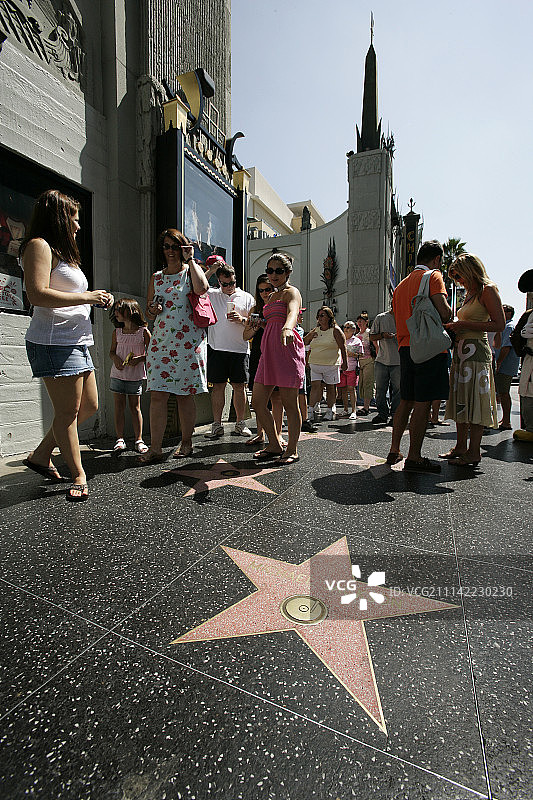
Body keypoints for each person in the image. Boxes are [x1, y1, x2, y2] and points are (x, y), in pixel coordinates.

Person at [21, 189, 113, 501]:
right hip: (53, 341)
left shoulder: (64, 254)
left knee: (89, 406)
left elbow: (67, 292)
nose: (77, 225)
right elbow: (37, 294)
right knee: (68, 413)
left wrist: (97, 296)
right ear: (59, 218)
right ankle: (78, 474)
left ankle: (41, 454)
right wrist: (88, 296)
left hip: (75, 340)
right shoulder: (38, 246)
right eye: (73, 218)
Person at [142, 228, 209, 463]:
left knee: (184, 395)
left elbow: (202, 288)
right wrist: (153, 310)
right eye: (167, 246)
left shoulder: (190, 273)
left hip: (188, 344)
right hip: (161, 343)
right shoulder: (156, 277)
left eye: (175, 246)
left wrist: (191, 260)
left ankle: (187, 441)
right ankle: (156, 448)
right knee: (158, 395)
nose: (171, 251)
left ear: (183, 249)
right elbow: (150, 312)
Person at [388, 240, 452, 472]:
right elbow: (444, 312)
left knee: (406, 400)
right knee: (423, 403)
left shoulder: (401, 285)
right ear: (436, 260)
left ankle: (394, 449)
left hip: (405, 345)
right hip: (427, 346)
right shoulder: (433, 277)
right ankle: (414, 456)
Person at [443, 253, 505, 466]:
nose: (458, 281)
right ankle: (461, 446)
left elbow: (499, 324)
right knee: (462, 399)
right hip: (461, 353)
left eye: (459, 276)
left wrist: (465, 325)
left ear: (470, 271)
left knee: (476, 401)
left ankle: (474, 451)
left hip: (477, 353)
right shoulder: (470, 293)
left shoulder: (488, 290)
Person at [252, 252, 306, 464]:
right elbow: (272, 320)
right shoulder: (272, 296)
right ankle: (274, 443)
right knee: (257, 402)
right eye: (270, 270)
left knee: (289, 403)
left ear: (288, 272)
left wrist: (287, 327)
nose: (274, 274)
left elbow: (292, 312)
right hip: (269, 352)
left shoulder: (291, 292)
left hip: (287, 350)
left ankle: (291, 449)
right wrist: (260, 324)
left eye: (279, 271)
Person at [203, 262, 254, 438]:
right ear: (219, 282)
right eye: (225, 284)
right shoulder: (212, 294)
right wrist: (211, 269)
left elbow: (255, 323)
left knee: (240, 387)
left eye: (231, 283)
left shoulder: (246, 297)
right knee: (218, 387)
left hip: (240, 349)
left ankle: (240, 423)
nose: (229, 287)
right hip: (216, 348)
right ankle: (216, 424)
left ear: (235, 280)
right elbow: (198, 286)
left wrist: (241, 320)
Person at [243, 273, 283, 445]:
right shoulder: (255, 310)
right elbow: (246, 336)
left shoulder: (281, 306)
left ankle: (278, 434)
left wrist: (266, 325)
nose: (265, 293)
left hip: (276, 352)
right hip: (259, 354)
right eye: (261, 291)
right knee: (259, 399)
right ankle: (261, 433)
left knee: (276, 397)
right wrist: (255, 326)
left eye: (268, 289)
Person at [109, 298, 151, 454]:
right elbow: (111, 352)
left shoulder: (143, 332)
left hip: (135, 375)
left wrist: (139, 359)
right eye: (115, 310)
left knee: (135, 407)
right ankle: (120, 439)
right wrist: (115, 359)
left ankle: (138, 440)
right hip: (117, 374)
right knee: (119, 407)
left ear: (131, 311)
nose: (116, 313)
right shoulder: (117, 332)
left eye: (119, 310)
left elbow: (153, 352)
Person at [305, 307, 348, 421]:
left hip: (331, 365)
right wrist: (310, 336)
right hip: (315, 364)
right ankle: (310, 411)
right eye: (318, 315)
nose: (320, 318)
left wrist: (345, 362)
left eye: (322, 315)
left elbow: (343, 348)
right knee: (315, 387)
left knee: (330, 388)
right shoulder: (316, 330)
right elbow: (305, 341)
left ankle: (330, 410)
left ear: (329, 317)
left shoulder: (335, 330)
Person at [369, 307, 400, 424]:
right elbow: (372, 336)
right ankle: (382, 414)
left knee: (398, 390)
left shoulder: (405, 316)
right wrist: (382, 335)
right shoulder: (381, 317)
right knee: (380, 390)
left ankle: (396, 415)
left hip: (399, 361)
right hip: (382, 359)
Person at [512, 269, 533, 442]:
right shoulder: (528, 315)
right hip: (530, 360)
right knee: (527, 393)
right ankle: (530, 427)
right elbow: (516, 337)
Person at [493, 304, 520, 430]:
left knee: (504, 393)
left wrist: (498, 362)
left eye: (503, 311)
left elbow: (506, 347)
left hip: (505, 365)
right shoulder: (505, 326)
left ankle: (506, 421)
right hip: (503, 364)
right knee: (501, 393)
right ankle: (504, 419)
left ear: (509, 313)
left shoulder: (509, 326)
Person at [338, 321, 363, 419]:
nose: (346, 329)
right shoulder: (340, 339)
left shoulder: (356, 340)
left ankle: (353, 411)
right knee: (343, 389)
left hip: (352, 367)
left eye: (348, 327)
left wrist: (352, 353)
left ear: (353, 330)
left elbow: (361, 353)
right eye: (345, 327)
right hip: (341, 367)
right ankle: (345, 409)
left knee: (351, 389)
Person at [355, 312, 375, 416]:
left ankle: (366, 407)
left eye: (361, 321)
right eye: (358, 321)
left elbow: (375, 346)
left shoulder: (369, 333)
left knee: (368, 383)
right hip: (360, 362)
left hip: (369, 360)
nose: (359, 323)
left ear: (366, 322)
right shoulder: (357, 335)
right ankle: (364, 405)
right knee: (361, 384)